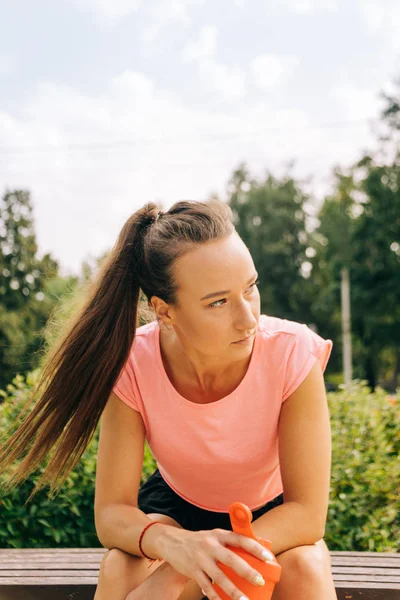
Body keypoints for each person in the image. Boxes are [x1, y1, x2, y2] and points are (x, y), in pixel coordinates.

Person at [0, 199, 337, 600]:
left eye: (250, 288)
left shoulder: (293, 352)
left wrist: (176, 577)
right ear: (164, 311)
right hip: (175, 510)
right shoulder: (133, 363)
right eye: (218, 302)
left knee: (306, 568)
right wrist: (175, 551)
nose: (248, 318)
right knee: (121, 569)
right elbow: (111, 514)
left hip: (272, 517)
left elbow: (307, 515)